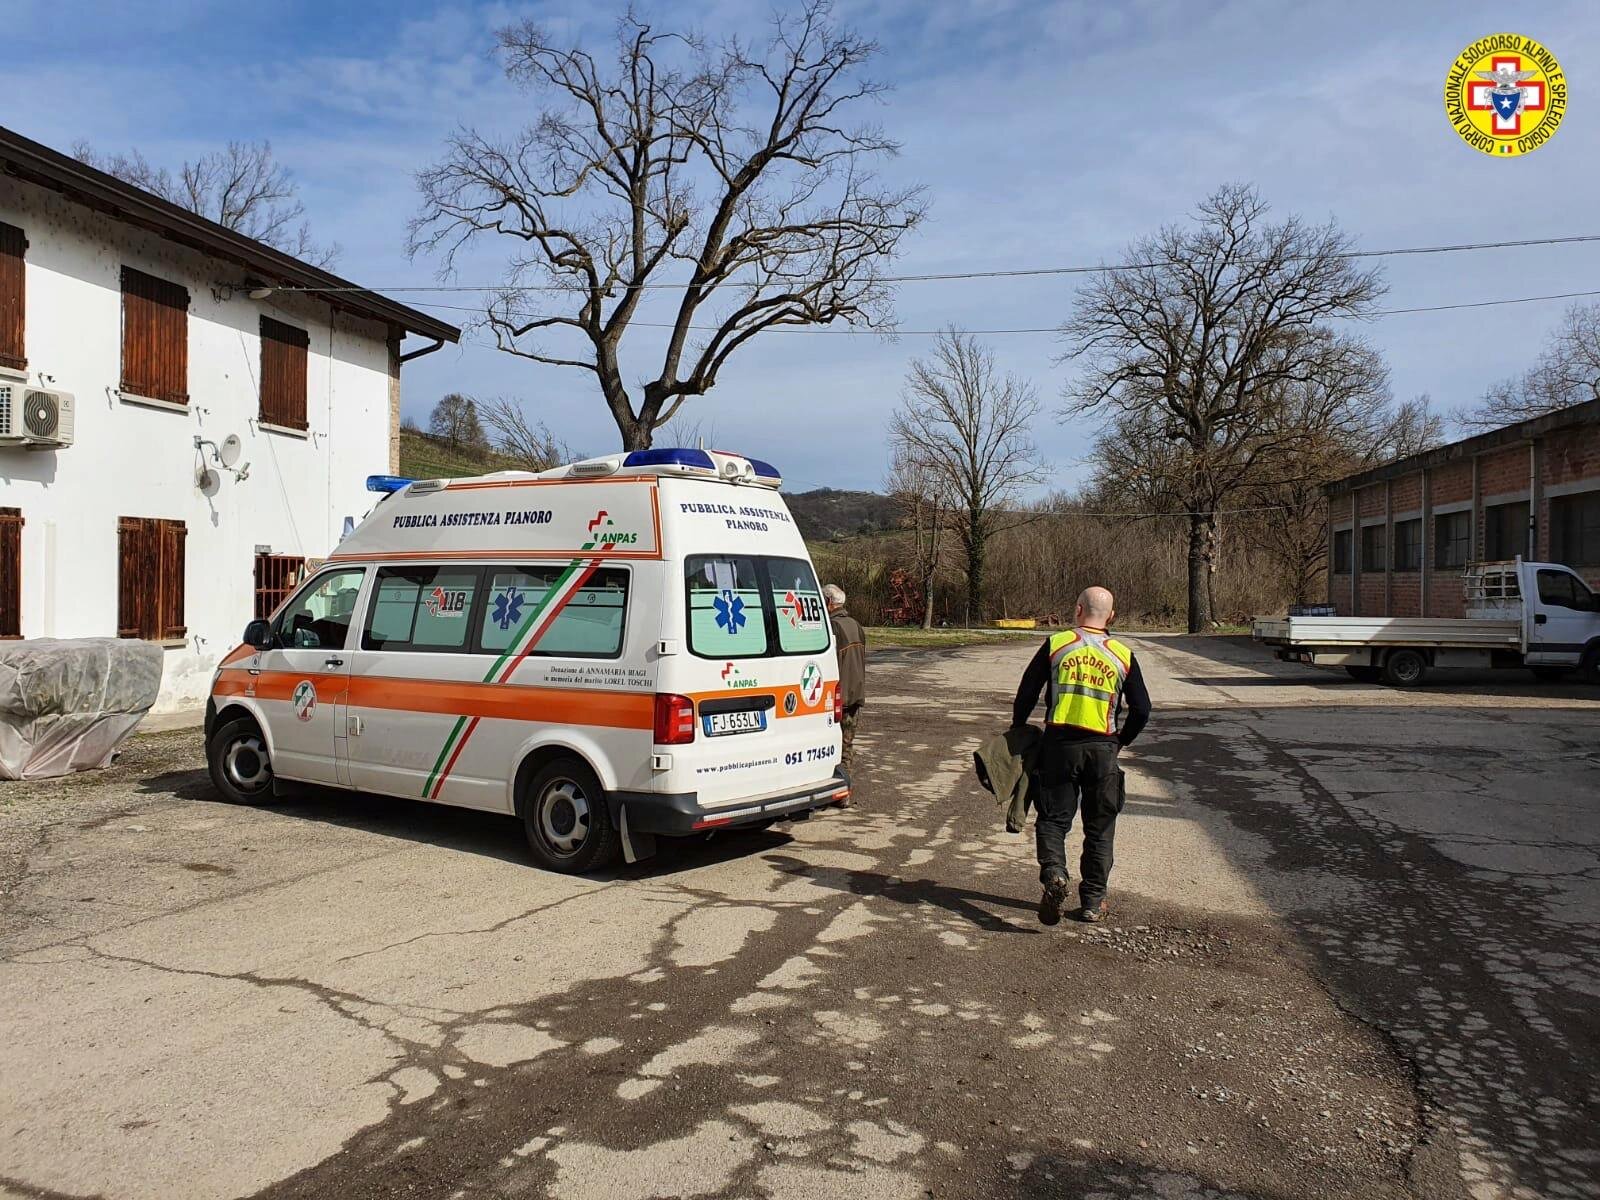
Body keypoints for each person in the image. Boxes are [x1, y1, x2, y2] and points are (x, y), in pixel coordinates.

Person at [1011, 586, 1151, 925]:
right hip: (1103, 748)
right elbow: (1142, 709)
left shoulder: (1057, 644)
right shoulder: (1122, 654)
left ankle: (1055, 874)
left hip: (1059, 746)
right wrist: (1121, 740)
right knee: (1099, 827)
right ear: (1112, 617)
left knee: (1054, 820)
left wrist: (1019, 729)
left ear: (1077, 610)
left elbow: (1026, 693)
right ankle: (1092, 901)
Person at [824, 584, 866, 788]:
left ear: (828, 602)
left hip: (840, 696)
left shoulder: (832, 626)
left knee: (837, 745)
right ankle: (845, 787)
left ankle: (841, 789)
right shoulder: (855, 624)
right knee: (847, 744)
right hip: (857, 692)